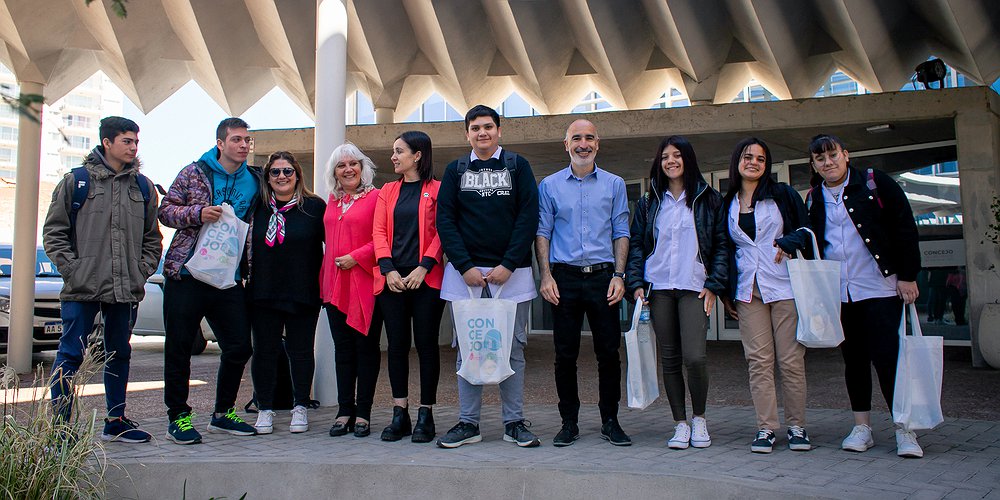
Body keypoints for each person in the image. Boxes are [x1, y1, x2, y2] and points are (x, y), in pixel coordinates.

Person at [42, 116, 161, 443]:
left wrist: (142, 269)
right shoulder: (77, 182)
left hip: (125, 288)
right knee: (70, 355)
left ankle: (116, 421)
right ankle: (61, 429)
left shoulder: (143, 186)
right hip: (82, 288)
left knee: (119, 353)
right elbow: (53, 233)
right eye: (127, 141)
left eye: (136, 141)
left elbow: (152, 237)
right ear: (107, 142)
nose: (133, 147)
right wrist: (73, 269)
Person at [804, 134, 923, 458]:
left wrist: (908, 275)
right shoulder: (814, 197)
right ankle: (862, 427)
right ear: (814, 164)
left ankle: (904, 429)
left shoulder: (875, 183)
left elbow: (904, 228)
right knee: (853, 361)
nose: (828, 163)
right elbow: (814, 242)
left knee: (888, 359)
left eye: (832, 155)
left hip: (879, 287)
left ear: (846, 154)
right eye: (820, 159)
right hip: (841, 292)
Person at [435, 104, 540, 448]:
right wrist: (464, 265)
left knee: (512, 351)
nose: (483, 133)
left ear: (499, 131)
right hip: (465, 278)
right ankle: (468, 423)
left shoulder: (517, 167)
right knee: (469, 350)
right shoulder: (455, 170)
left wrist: (508, 264)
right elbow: (446, 220)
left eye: (489, 127)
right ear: (467, 134)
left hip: (512, 276)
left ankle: (513, 422)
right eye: (476, 128)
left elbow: (528, 216)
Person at [159, 117, 262, 444]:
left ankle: (223, 413)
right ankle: (178, 417)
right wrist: (197, 213)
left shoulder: (255, 181)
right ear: (220, 143)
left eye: (247, 140)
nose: (244, 145)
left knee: (239, 346)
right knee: (179, 348)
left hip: (228, 279)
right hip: (186, 275)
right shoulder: (194, 172)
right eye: (236, 140)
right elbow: (165, 211)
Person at [625, 135, 728, 450]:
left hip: (693, 286)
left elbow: (722, 244)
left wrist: (714, 285)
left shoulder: (708, 198)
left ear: (688, 159)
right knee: (669, 358)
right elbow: (638, 245)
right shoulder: (649, 201)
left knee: (695, 357)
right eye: (665, 156)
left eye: (677, 155)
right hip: (658, 288)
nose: (671, 161)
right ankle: (680, 424)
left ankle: (699, 419)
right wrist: (636, 283)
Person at [536, 119, 631, 447]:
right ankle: (569, 422)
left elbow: (621, 231)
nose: (583, 143)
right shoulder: (548, 185)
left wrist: (619, 276)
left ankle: (610, 420)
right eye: (576, 138)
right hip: (563, 279)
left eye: (589, 138)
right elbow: (542, 232)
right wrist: (545, 275)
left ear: (597, 144)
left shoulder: (615, 184)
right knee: (565, 354)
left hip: (604, 278)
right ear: (566, 144)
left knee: (609, 353)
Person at [720, 137, 813, 453]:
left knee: (790, 360)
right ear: (737, 161)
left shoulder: (783, 194)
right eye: (748, 157)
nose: (754, 162)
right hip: (749, 290)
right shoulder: (728, 201)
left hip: (785, 286)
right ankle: (766, 428)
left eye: (761, 158)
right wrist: (725, 291)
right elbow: (725, 248)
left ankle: (797, 426)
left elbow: (809, 230)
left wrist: (790, 241)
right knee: (758, 361)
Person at [373, 131, 445, 443]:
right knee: (397, 346)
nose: (393, 157)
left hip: (426, 279)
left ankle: (426, 415)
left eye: (399, 151)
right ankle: (399, 413)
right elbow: (378, 232)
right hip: (393, 281)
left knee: (427, 346)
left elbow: (444, 230)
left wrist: (424, 265)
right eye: (394, 151)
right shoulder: (386, 191)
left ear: (417, 155)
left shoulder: (438, 190)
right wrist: (388, 270)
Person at [247, 151, 326, 434]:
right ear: (267, 177)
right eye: (275, 172)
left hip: (303, 292)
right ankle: (265, 408)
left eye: (287, 171)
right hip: (263, 292)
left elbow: (334, 244)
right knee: (264, 352)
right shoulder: (256, 207)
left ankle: (300, 406)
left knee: (301, 351)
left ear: (297, 175)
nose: (282, 177)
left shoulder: (315, 207)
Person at [319, 143, 383, 439]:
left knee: (365, 350)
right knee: (342, 350)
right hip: (334, 285)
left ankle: (364, 413)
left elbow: (384, 238)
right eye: (341, 165)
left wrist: (356, 256)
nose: (348, 169)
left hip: (364, 284)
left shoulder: (377, 198)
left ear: (362, 168)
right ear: (334, 172)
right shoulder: (331, 201)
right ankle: (344, 410)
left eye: (353, 164)